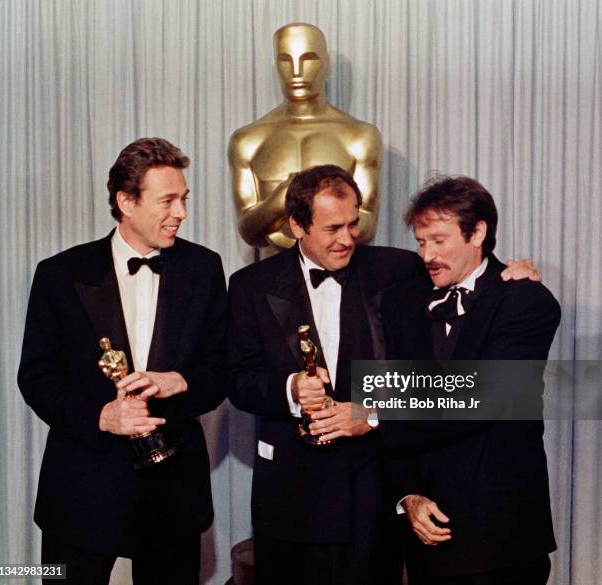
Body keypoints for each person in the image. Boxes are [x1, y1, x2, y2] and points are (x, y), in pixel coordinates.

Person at [227, 165, 538, 585]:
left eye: (354, 223)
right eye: (332, 227)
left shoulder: (399, 269)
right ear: (298, 226)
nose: (347, 238)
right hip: (290, 497)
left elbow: (467, 291)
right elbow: (237, 378)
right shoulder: (249, 284)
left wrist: (514, 276)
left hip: (374, 491)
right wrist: (290, 389)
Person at [18, 138, 227, 585]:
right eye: (167, 200)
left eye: (184, 199)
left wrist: (181, 382)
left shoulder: (204, 268)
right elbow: (35, 377)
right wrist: (101, 416)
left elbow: (222, 371)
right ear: (126, 201)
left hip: (173, 494)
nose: (182, 213)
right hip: (81, 489)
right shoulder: (59, 274)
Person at [380, 176, 561, 585]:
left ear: (478, 232)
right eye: (421, 241)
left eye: (439, 240)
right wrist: (408, 495)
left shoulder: (526, 300)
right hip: (428, 534)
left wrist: (375, 412)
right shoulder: (401, 301)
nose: (428, 254)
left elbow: (483, 397)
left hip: (501, 537)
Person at [228, 22, 382, 249]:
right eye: (285, 60)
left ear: (326, 65)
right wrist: (279, 200)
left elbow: (367, 225)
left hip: (346, 273)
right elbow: (248, 230)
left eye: (309, 59)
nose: (297, 72)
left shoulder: (360, 136)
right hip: (274, 276)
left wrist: (316, 205)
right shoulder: (247, 140)